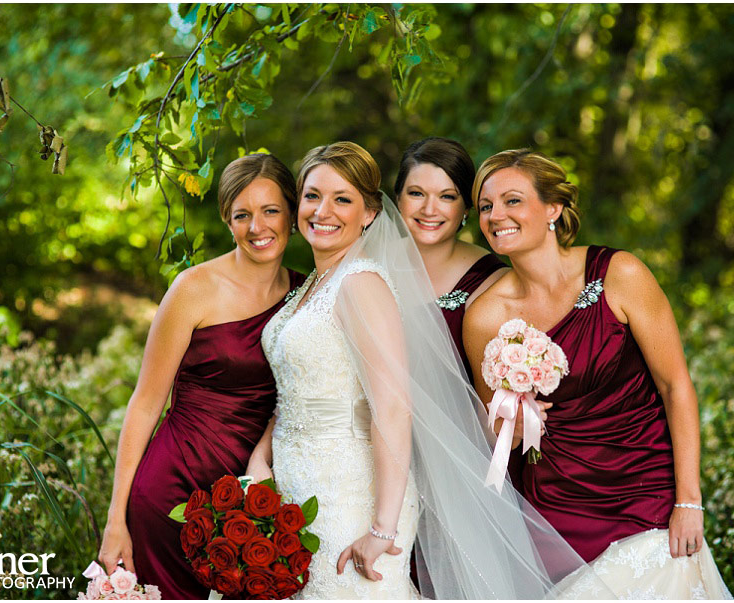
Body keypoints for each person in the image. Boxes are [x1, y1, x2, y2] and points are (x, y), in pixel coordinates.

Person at [247, 142, 609, 599]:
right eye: (312, 196)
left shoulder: (361, 283)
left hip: (350, 488)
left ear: (370, 213)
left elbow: (393, 407)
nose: (323, 210)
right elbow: (297, 387)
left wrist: (383, 526)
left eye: (342, 199)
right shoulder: (313, 285)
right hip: (297, 478)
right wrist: (262, 458)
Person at [463, 149, 732, 599]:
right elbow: (490, 437)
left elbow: (675, 385)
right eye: (486, 206)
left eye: (512, 200)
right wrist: (517, 423)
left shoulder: (619, 274)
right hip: (555, 506)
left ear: (553, 208)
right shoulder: (486, 317)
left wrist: (689, 499)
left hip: (647, 489)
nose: (495, 216)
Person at [97, 154, 304, 599]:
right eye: (241, 215)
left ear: (292, 211)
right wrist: (116, 520)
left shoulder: (308, 295)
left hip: (255, 498)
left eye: (270, 211)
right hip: (171, 487)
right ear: (227, 221)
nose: (257, 227)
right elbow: (146, 403)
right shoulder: (193, 288)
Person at [394, 137, 507, 374]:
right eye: (416, 193)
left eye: (446, 196)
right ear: (398, 199)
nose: (429, 209)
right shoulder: (366, 262)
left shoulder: (491, 279)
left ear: (466, 208)